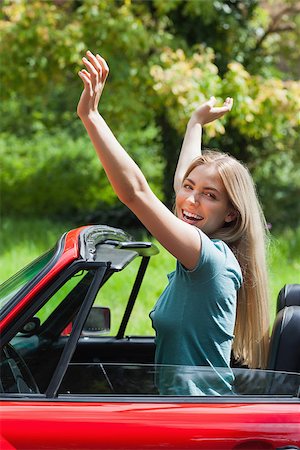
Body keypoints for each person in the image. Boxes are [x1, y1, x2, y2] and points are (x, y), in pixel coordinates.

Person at [77, 50, 270, 395]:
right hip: (187, 414)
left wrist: (91, 117)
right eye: (190, 189)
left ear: (231, 214)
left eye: (210, 195)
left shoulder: (209, 259)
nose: (191, 200)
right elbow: (183, 185)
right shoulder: (205, 251)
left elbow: (136, 193)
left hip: (201, 422)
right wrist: (195, 122)